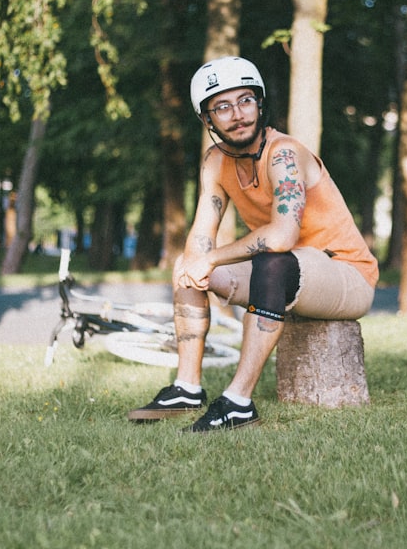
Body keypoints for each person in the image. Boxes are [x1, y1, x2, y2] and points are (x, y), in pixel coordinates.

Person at [128, 56, 378, 432]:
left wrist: (210, 258)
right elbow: (201, 235)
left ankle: (238, 402)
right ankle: (187, 387)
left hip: (345, 275)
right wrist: (197, 261)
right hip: (292, 271)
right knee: (187, 264)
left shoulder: (284, 154)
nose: (238, 114)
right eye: (223, 107)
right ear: (207, 119)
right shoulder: (215, 161)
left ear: (259, 103)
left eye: (245, 100)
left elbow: (281, 236)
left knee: (271, 261)